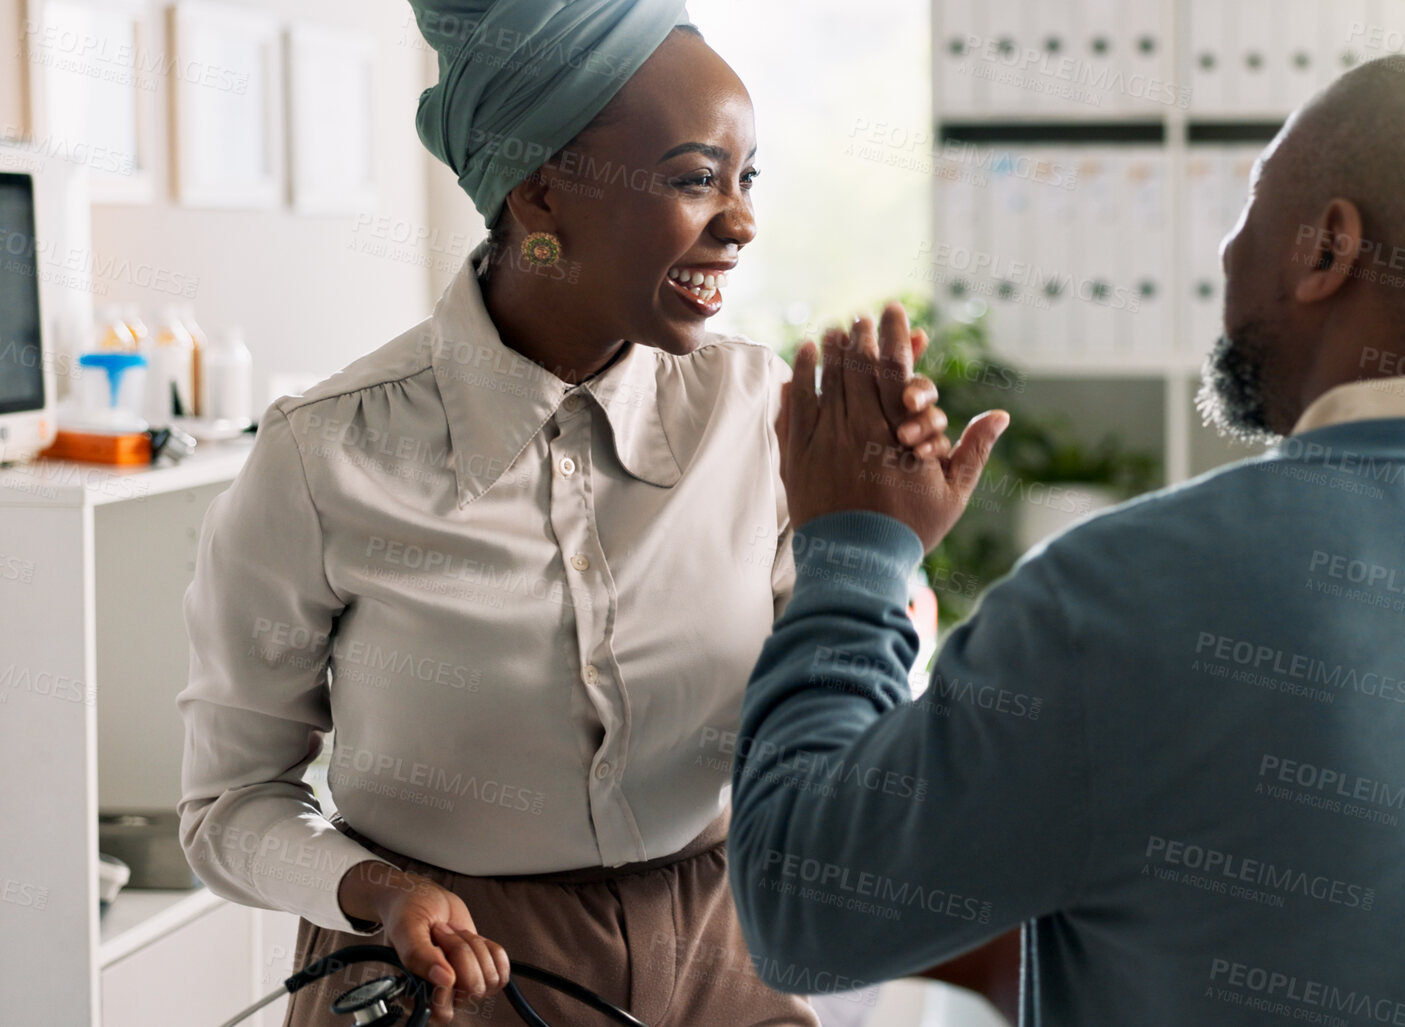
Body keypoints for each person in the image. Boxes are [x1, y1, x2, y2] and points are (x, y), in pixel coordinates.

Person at [728, 55, 1405, 1026]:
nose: (1228, 255)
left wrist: (857, 552)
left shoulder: (1121, 596)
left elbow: (805, 914)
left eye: (1248, 212)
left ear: (1327, 246)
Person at [177, 4, 959, 1024]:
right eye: (693, 178)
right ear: (543, 191)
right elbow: (228, 804)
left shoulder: (762, 416)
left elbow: (849, 707)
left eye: (746, 177)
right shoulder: (324, 454)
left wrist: (880, 545)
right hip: (447, 974)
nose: (742, 220)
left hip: (726, 947)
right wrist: (375, 890)